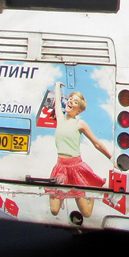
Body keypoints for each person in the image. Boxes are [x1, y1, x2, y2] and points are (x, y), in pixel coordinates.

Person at [46, 82, 112, 219]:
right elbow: (57, 101)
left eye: (75, 102)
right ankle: (63, 193)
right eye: (70, 99)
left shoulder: (79, 124)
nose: (70, 102)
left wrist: (112, 159)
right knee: (54, 210)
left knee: (86, 213)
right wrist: (57, 86)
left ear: (79, 110)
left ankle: (91, 194)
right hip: (60, 168)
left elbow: (97, 143)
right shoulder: (60, 118)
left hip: (75, 168)